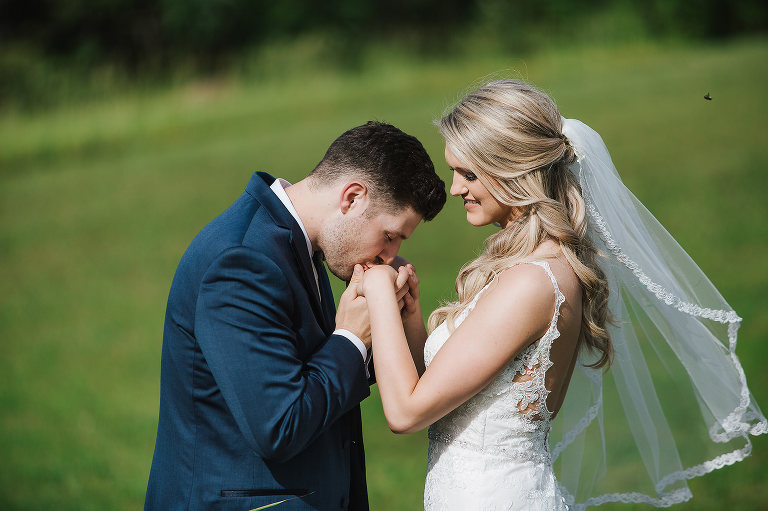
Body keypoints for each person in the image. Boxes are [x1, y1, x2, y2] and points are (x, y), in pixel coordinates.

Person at [356, 80, 767, 509]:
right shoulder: (534, 268)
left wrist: (380, 291)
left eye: (469, 174)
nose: (456, 188)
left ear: (513, 171)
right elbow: (440, 389)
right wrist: (408, 313)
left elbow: (406, 413)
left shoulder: (532, 282)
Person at [144, 121, 446, 511]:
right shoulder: (241, 262)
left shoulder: (299, 244)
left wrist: (400, 316)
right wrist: (351, 339)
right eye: (389, 236)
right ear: (352, 197)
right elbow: (278, 426)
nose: (390, 256)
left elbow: (315, 371)